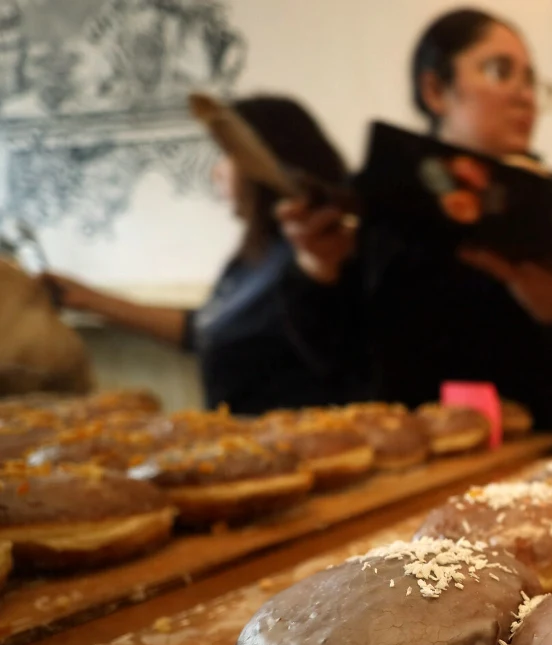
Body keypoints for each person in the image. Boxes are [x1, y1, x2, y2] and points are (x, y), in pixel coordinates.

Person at [277, 8, 552, 444]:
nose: (525, 95)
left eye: (530, 80)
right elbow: (339, 362)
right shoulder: (375, 201)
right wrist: (317, 272)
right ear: (435, 89)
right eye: (500, 71)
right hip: (421, 464)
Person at [43, 96, 358, 414]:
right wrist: (88, 300)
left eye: (225, 156)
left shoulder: (323, 257)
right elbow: (203, 329)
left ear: (263, 162)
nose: (215, 172)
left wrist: (318, 268)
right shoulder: (252, 258)